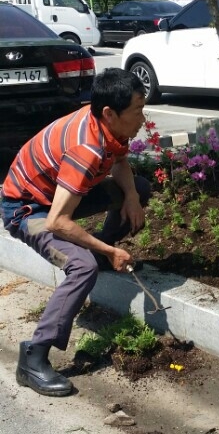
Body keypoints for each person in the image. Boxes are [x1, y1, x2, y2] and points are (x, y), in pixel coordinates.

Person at [1, 68, 152, 398]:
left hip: (58, 195)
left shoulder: (107, 124)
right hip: (28, 209)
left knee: (138, 187)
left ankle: (100, 254)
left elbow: (120, 162)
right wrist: (112, 252)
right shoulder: (86, 147)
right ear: (110, 113)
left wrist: (131, 197)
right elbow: (57, 222)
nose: (143, 117)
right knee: (81, 266)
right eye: (138, 110)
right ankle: (34, 356)